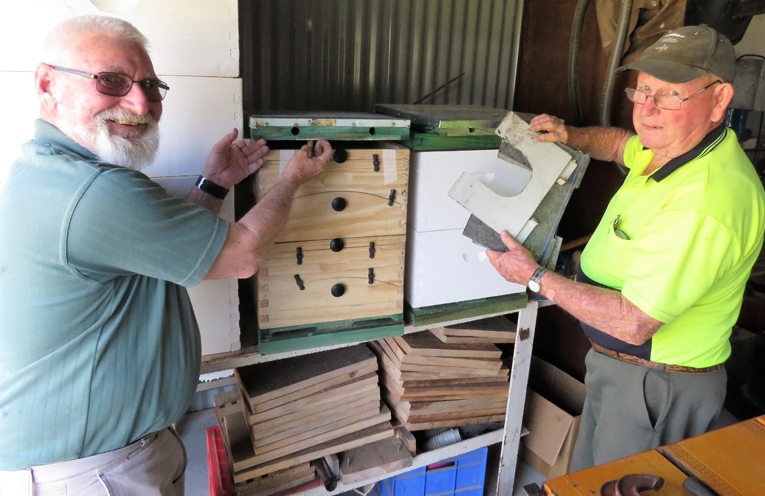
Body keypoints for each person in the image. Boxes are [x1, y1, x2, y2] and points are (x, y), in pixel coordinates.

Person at [0, 15, 332, 495]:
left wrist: (214, 184)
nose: (140, 102)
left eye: (152, 86)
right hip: (93, 473)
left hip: (99, 458)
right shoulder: (94, 192)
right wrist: (293, 179)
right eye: (111, 81)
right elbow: (242, 255)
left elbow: (158, 257)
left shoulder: (49, 172)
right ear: (47, 83)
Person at [486, 26, 765, 471]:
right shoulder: (674, 149)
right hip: (620, 370)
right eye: (643, 90)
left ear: (719, 99)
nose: (647, 109)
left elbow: (634, 323)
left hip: (657, 387)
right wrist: (572, 136)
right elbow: (620, 143)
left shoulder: (706, 201)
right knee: (589, 479)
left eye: (671, 95)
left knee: (619, 481)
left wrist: (536, 278)